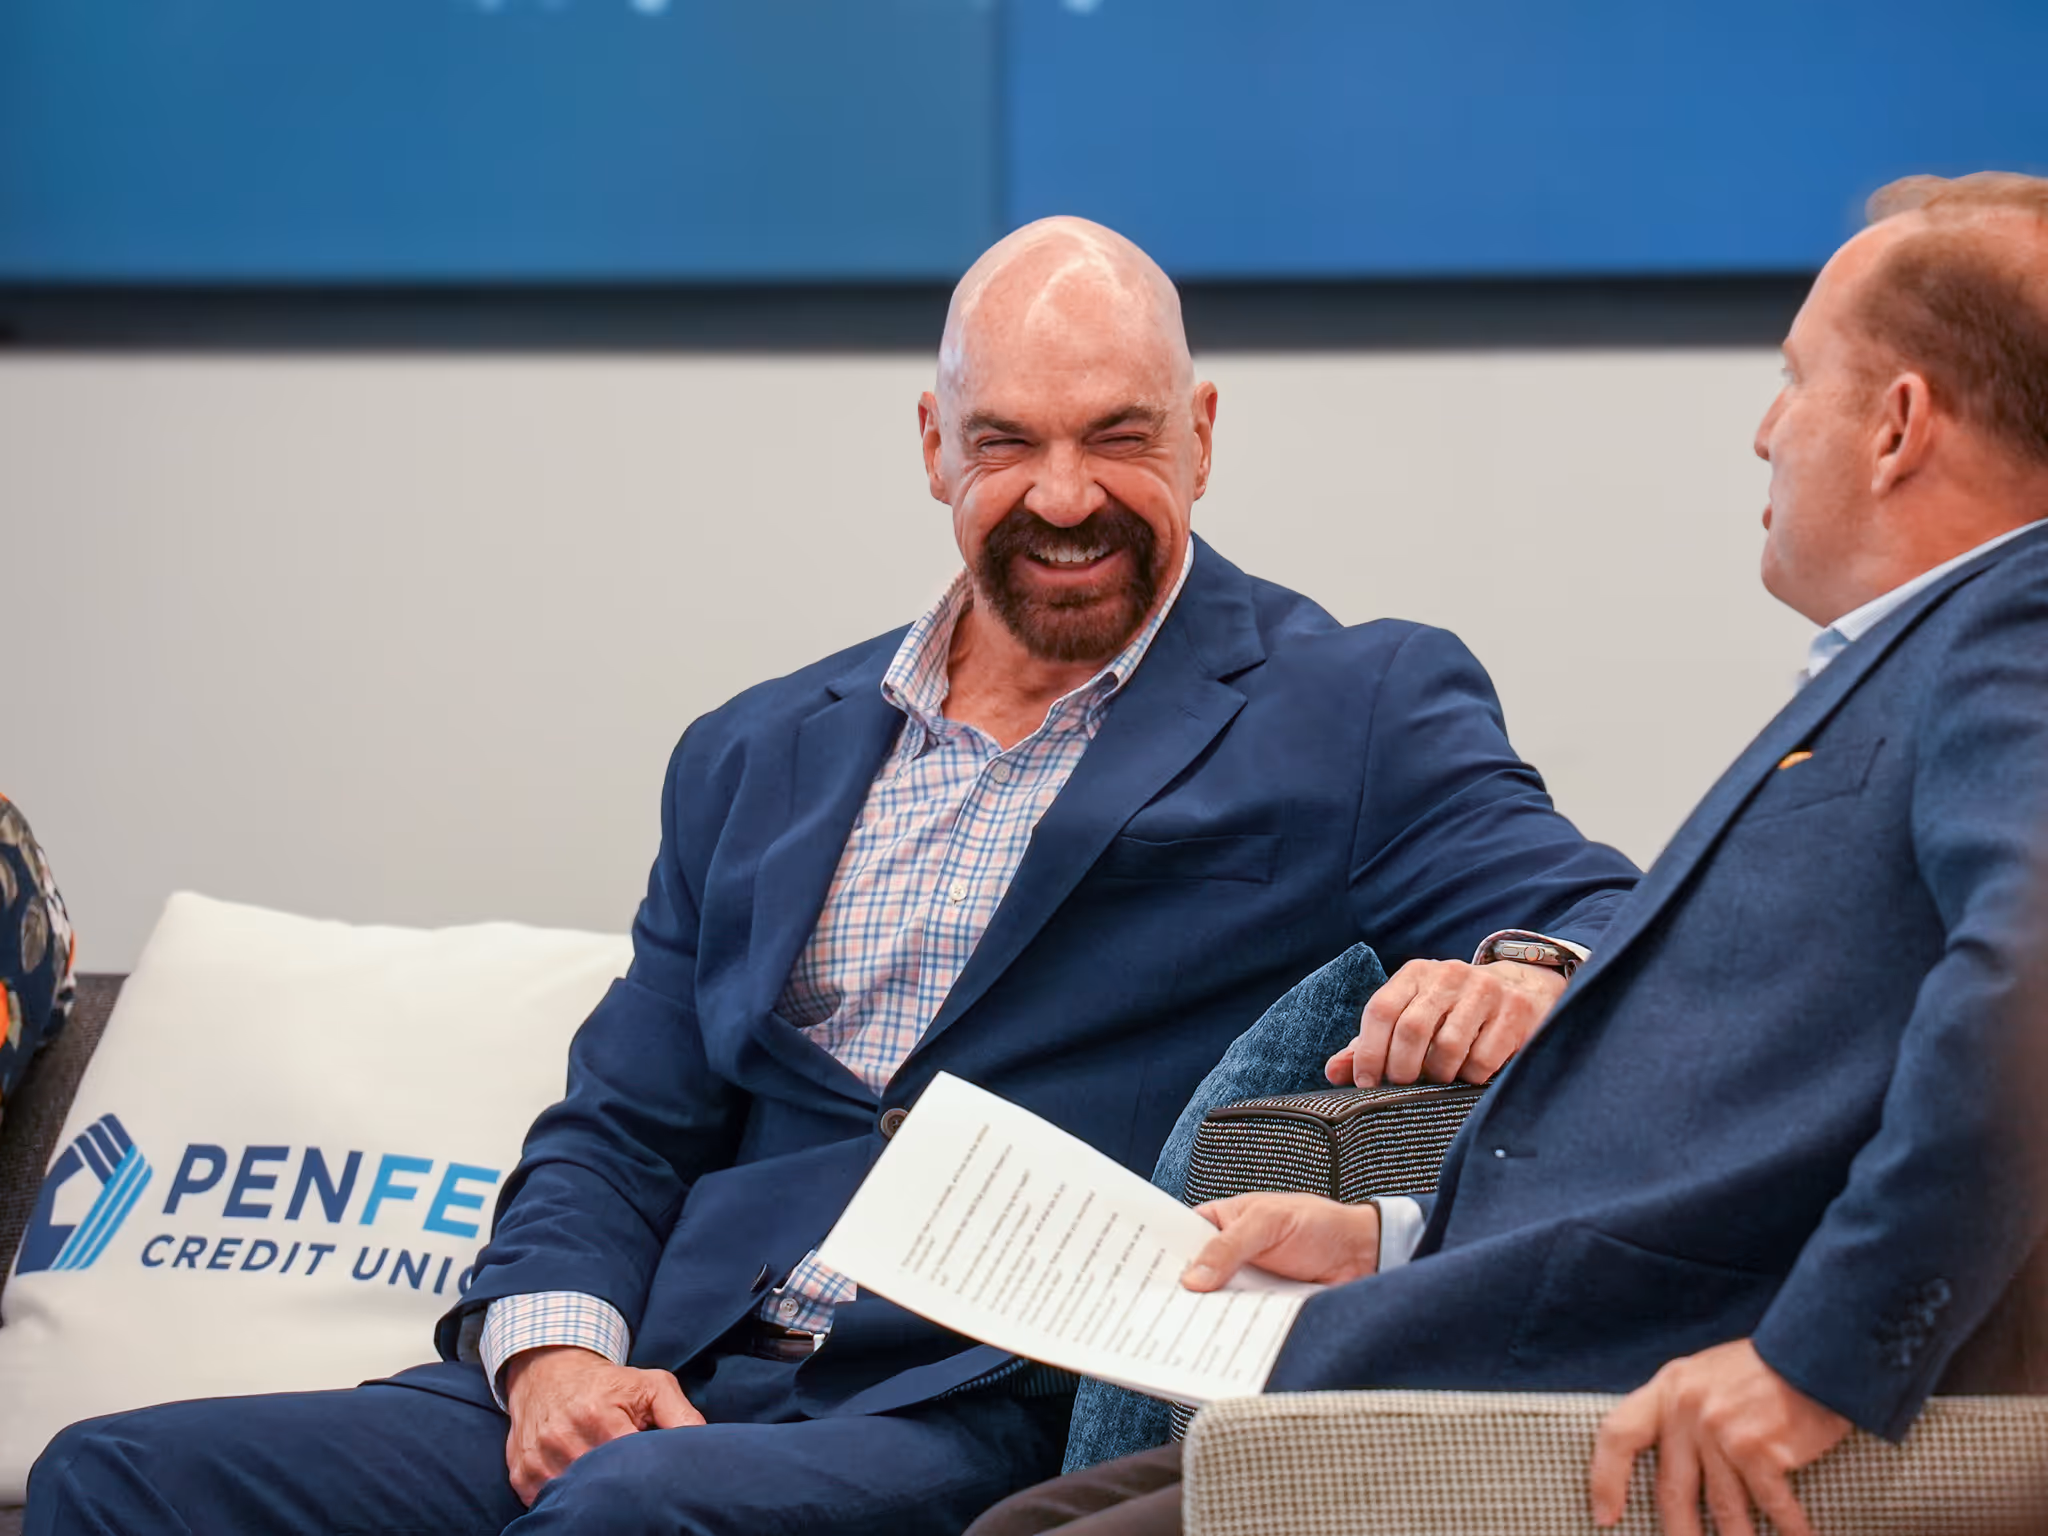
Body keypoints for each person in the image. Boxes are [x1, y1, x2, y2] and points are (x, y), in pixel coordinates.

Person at [24, 219, 1638, 1535]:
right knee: (122, 1481)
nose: (1063, 495)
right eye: (1009, 441)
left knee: (633, 1521)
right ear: (936, 446)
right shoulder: (755, 751)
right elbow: (621, 1124)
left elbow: (1607, 912)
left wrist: (1518, 970)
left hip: (965, 1401)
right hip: (667, 1362)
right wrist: (555, 1356)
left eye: (1118, 438)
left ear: (1202, 441)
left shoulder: (1350, 705)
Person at [965, 171, 2048, 1536]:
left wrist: (1820, 1358)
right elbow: (1726, 1116)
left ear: (1897, 427)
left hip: (1584, 1413)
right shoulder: (1916, 667)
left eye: (1797, 378)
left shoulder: (2015, 634)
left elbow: (2034, 994)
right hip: (1457, 1337)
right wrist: (1391, 1235)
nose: (1766, 432)